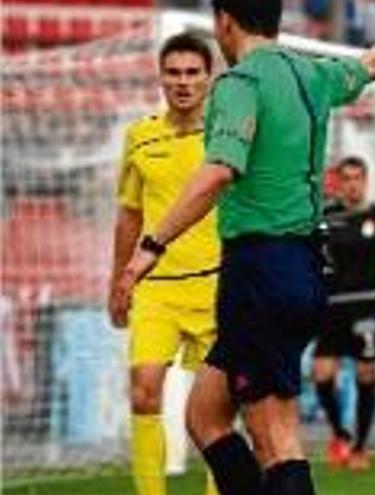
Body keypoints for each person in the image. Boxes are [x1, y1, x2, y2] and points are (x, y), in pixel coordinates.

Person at [114, 0, 375, 493]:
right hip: (300, 269)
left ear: (225, 22)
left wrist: (151, 245)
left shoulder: (239, 83)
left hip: (260, 269)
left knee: (274, 437)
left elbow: (218, 170)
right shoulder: (312, 73)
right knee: (205, 415)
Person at [107, 32, 219, 495]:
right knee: (144, 390)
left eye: (193, 72)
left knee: (216, 408)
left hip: (218, 285)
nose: (183, 82)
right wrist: (118, 279)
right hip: (156, 288)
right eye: (173, 72)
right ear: (160, 77)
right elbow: (129, 214)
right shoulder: (140, 136)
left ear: (210, 78)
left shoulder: (226, 136)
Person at [314, 156, 375, 471]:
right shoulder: (324, 218)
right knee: (322, 374)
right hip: (331, 307)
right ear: (338, 182)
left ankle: (359, 447)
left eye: (358, 178)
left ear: (366, 180)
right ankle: (340, 433)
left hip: (367, 305)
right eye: (347, 178)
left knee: (366, 372)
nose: (353, 184)